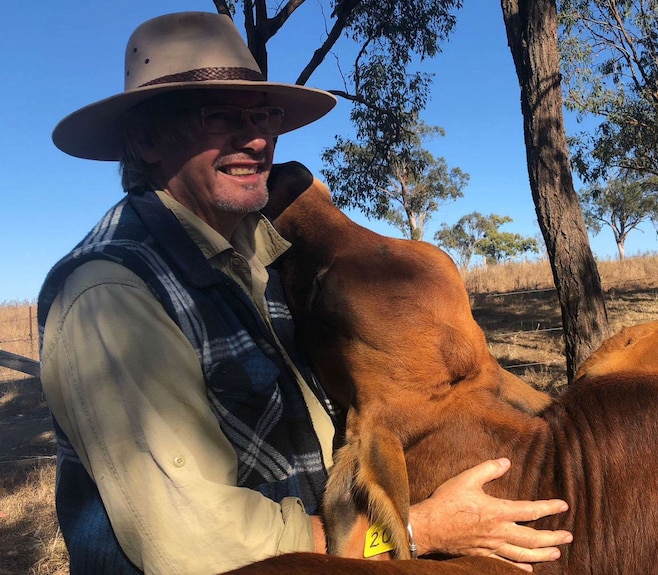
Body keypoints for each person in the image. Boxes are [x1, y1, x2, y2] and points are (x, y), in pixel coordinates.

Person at [38, 11, 572, 575]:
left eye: (263, 115)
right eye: (218, 117)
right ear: (145, 139)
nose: (255, 139)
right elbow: (195, 545)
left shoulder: (258, 261)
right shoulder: (112, 294)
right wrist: (416, 529)